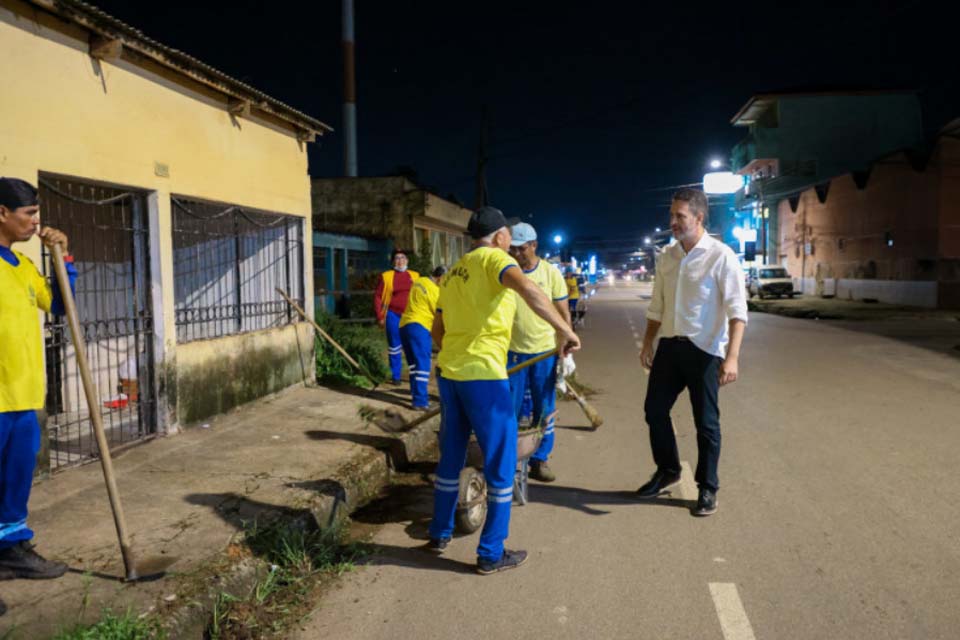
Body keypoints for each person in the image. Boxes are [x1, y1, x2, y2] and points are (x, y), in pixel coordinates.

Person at [427, 207, 580, 575]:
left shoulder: (454, 272)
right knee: (501, 462)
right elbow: (530, 289)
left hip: (450, 373)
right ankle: (491, 552)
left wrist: (460, 350)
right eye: (508, 237)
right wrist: (566, 330)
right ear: (498, 237)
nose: (510, 244)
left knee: (452, 455)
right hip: (484, 377)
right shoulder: (495, 260)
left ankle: (440, 532)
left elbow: (438, 328)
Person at [636, 188, 747, 517]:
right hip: (670, 346)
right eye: (671, 215)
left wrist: (733, 357)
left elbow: (737, 311)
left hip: (705, 351)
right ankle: (668, 469)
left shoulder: (720, 255)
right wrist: (647, 342)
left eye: (679, 216)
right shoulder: (667, 256)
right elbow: (657, 306)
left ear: (699, 218)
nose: (672, 221)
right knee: (654, 411)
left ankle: (708, 487)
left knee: (707, 424)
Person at [0, 177, 77, 616]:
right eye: (28, 214)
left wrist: (60, 255)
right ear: (2, 213)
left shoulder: (23, 265)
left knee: (14, 483)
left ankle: (11, 551)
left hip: (23, 397)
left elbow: (61, 305)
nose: (36, 222)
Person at [506, 222, 571, 482]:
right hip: (512, 351)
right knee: (509, 408)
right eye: (512, 249)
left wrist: (566, 341)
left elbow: (563, 310)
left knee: (544, 407)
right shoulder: (507, 273)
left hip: (544, 352)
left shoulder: (550, 274)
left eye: (521, 249)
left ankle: (540, 458)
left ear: (534, 245)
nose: (517, 254)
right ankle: (508, 459)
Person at [399, 265, 445, 411]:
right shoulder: (436, 292)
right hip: (420, 326)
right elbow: (440, 314)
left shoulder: (420, 281)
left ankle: (415, 394)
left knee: (413, 365)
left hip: (404, 324)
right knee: (423, 365)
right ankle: (420, 401)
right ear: (440, 278)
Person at [374, 249, 420, 384]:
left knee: (412, 344)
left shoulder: (415, 276)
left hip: (411, 316)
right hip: (393, 314)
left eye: (403, 258)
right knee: (394, 346)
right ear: (393, 261)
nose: (400, 261)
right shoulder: (386, 276)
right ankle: (396, 376)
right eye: (397, 258)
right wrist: (380, 316)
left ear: (407, 260)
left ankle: (415, 374)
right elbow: (377, 296)